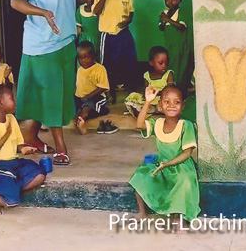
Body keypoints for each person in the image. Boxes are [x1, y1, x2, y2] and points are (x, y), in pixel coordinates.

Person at [10, 0, 105, 166]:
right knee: (50, 96)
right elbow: (16, 1)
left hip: (65, 41)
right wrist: (41, 11)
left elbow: (73, 0)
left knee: (57, 95)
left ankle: (30, 138)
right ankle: (61, 147)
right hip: (41, 44)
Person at [129, 85, 200, 231]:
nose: (172, 106)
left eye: (177, 102)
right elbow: (139, 124)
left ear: (182, 105)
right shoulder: (158, 123)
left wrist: (168, 164)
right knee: (141, 175)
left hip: (181, 166)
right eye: (167, 102)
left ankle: (178, 216)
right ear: (160, 106)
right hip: (162, 164)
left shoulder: (185, 125)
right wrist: (148, 101)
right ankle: (142, 212)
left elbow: (187, 153)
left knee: (183, 182)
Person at [0, 85, 45, 214]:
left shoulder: (11, 119)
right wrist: (6, 135)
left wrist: (24, 149)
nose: (15, 102)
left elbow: (17, 144)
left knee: (39, 175)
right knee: (12, 202)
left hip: (14, 163)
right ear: (0, 103)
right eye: (11, 98)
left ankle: (3, 195)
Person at [93, 0, 137, 103]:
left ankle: (131, 91)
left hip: (123, 33)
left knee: (129, 61)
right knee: (107, 65)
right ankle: (109, 91)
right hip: (108, 35)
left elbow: (130, 12)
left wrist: (128, 20)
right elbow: (97, 12)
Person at [159, 0, 193, 95]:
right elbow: (161, 27)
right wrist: (163, 21)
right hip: (170, 47)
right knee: (171, 68)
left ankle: (181, 92)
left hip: (181, 47)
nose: (170, 1)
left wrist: (168, 20)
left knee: (182, 69)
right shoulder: (165, 13)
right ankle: (172, 90)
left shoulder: (181, 12)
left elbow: (182, 27)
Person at [74, 41, 113, 135]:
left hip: (96, 97)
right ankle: (79, 119)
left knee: (88, 106)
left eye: (86, 58)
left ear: (94, 57)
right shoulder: (80, 69)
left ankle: (81, 122)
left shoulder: (99, 69)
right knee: (74, 107)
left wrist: (87, 96)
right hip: (81, 98)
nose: (83, 61)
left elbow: (103, 87)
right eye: (80, 58)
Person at [125, 46, 174, 117]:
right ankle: (147, 110)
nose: (164, 66)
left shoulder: (169, 74)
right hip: (151, 100)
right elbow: (147, 89)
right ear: (151, 63)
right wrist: (146, 93)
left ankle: (151, 110)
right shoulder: (147, 75)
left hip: (162, 100)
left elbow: (170, 89)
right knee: (132, 97)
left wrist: (158, 93)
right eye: (160, 63)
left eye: (166, 63)